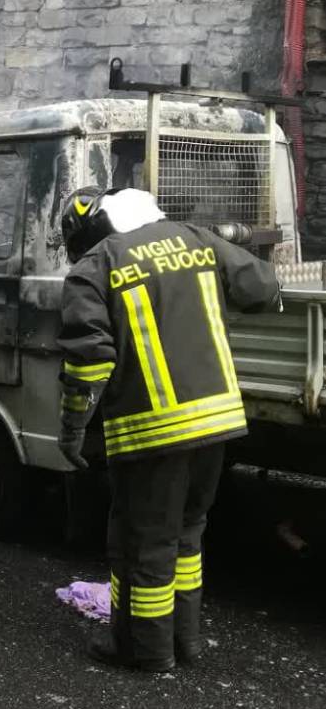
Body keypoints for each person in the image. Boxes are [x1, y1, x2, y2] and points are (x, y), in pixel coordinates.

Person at [57, 186, 280, 672]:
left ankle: (145, 650)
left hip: (151, 431)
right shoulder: (196, 240)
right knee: (186, 537)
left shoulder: (95, 267)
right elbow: (263, 288)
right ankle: (187, 641)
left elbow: (88, 365)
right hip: (218, 422)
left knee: (142, 543)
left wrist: (72, 432)